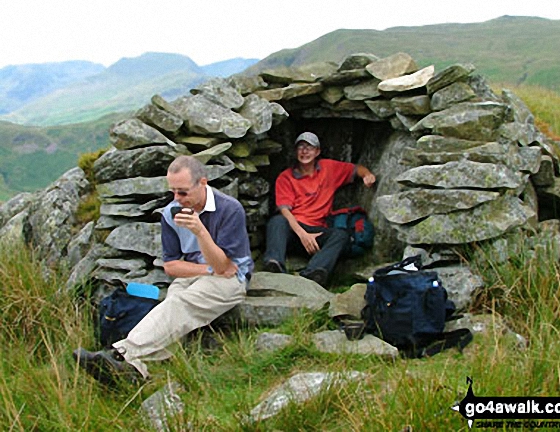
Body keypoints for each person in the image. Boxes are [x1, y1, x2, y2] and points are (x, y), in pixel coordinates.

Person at [73, 155, 254, 385]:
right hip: (199, 274)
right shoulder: (171, 212)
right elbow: (172, 266)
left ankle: (121, 353)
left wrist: (200, 232)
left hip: (234, 279)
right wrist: (207, 270)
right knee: (174, 301)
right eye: (173, 192)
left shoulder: (230, 209)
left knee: (181, 303)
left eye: (183, 192)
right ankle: (136, 372)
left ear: (203, 183)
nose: (177, 199)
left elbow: (226, 267)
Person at [262, 132, 376, 286]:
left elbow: (356, 169)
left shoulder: (328, 169)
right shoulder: (286, 177)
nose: (304, 151)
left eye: (309, 148)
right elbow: (284, 210)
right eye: (301, 147)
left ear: (317, 152)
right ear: (296, 152)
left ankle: (314, 272)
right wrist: (303, 235)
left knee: (341, 235)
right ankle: (274, 264)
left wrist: (367, 175)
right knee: (277, 221)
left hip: (317, 233)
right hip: (294, 231)